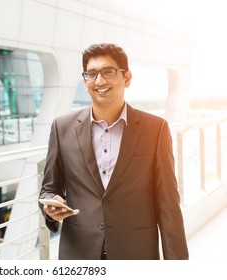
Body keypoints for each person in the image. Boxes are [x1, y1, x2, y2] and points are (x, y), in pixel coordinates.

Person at [39, 43, 189, 260]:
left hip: (136, 254)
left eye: (108, 72)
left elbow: (168, 205)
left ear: (126, 78)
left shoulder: (155, 129)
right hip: (79, 255)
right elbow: (49, 188)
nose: (99, 81)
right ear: (85, 81)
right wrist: (51, 206)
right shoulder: (61, 127)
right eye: (91, 74)